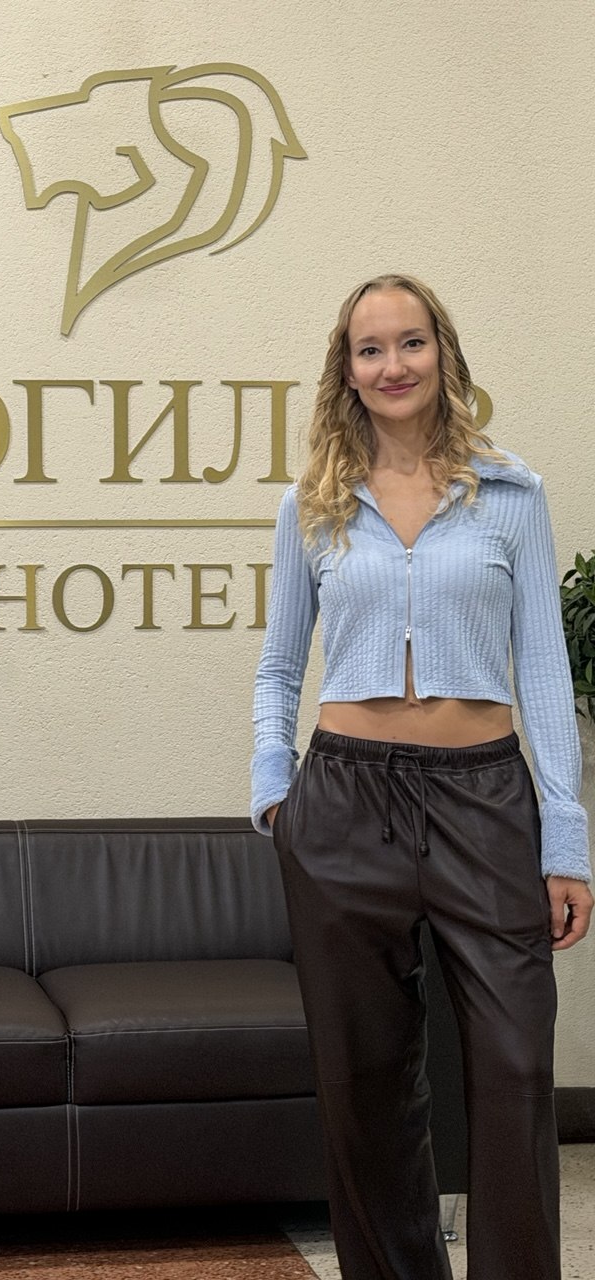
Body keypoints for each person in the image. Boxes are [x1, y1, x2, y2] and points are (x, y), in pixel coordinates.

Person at [250, 273, 593, 1280]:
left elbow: (544, 667)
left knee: (516, 1069)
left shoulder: (512, 495)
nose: (392, 364)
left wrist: (565, 836)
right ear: (346, 370)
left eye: (410, 342)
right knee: (364, 1085)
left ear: (442, 351)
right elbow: (279, 666)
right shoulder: (311, 506)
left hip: (484, 796)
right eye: (371, 348)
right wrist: (276, 791)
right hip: (343, 800)